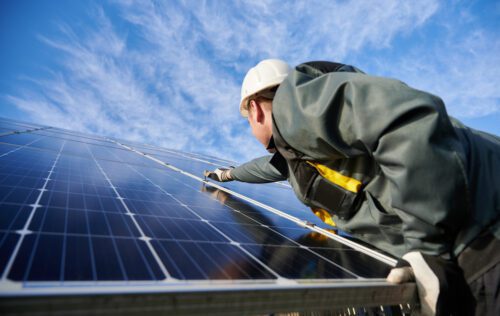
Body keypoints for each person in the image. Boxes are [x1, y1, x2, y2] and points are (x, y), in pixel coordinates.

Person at [204, 59, 500, 315]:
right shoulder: (296, 151)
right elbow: (261, 169)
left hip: (482, 237)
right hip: (473, 243)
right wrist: (227, 175)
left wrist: (427, 247)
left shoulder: (294, 107)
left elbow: (408, 121)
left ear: (255, 109)